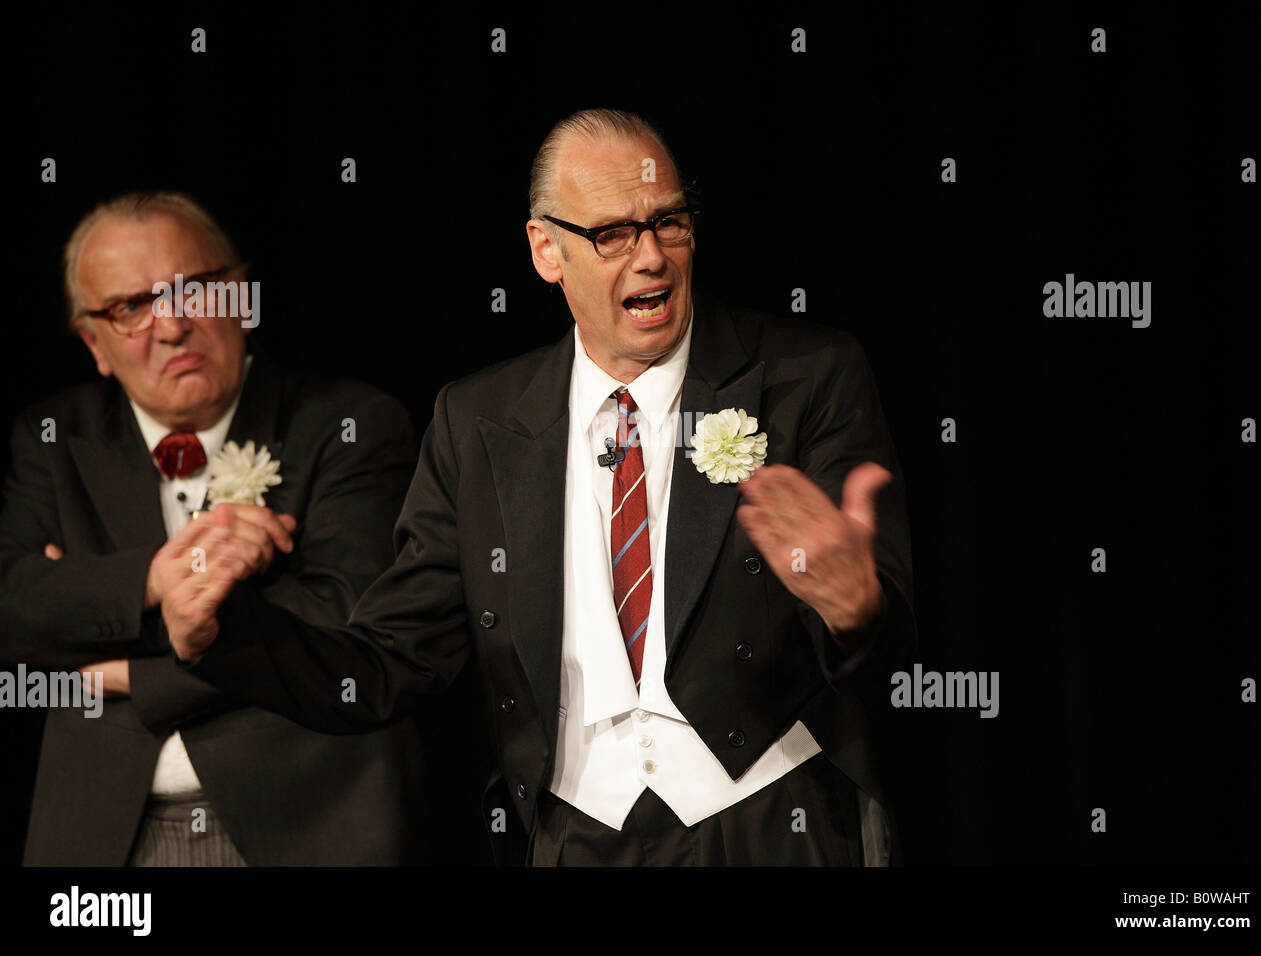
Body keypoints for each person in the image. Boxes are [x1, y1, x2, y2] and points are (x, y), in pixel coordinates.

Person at [167, 109, 918, 865]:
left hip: (770, 816)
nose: (652, 256)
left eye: (670, 223)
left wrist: (858, 611)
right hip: (575, 832)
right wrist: (223, 635)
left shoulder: (804, 375)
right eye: (614, 234)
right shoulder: (479, 419)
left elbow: (884, 637)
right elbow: (392, 660)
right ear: (545, 250)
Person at [0, 191, 483, 865]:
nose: (170, 325)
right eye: (130, 307)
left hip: (309, 828)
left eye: (195, 289)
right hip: (103, 841)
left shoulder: (350, 424)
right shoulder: (52, 439)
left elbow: (349, 624)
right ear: (95, 344)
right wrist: (156, 580)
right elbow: (17, 609)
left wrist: (131, 676)